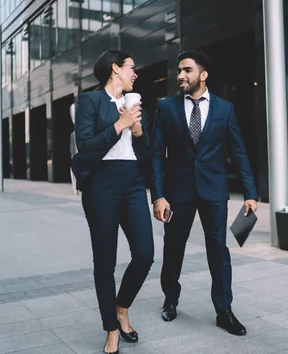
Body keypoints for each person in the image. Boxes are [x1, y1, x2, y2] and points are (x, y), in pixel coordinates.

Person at [151, 50, 258, 336]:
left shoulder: (225, 109)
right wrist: (158, 195)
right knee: (174, 248)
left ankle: (224, 310)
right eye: (179, 71)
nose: (181, 76)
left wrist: (250, 193)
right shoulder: (167, 107)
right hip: (177, 192)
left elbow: (239, 152)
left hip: (213, 191)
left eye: (187, 70)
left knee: (218, 251)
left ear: (203, 74)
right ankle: (170, 299)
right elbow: (156, 155)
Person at [72, 50, 154, 354]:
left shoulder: (135, 104)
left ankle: (122, 307)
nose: (136, 74)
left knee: (145, 254)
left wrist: (138, 129)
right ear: (115, 69)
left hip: (133, 182)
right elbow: (86, 147)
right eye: (132, 68)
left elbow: (147, 153)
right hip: (101, 185)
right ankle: (111, 329)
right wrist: (120, 126)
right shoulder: (90, 102)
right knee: (104, 263)